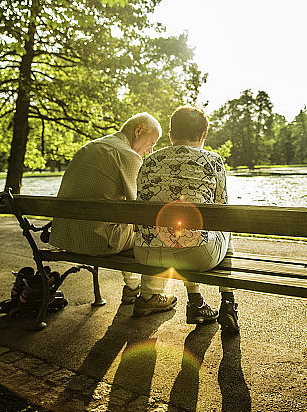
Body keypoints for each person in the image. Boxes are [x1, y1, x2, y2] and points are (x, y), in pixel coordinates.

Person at [48, 112, 173, 309]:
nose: (150, 151)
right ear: (138, 130)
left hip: (67, 236)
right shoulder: (127, 155)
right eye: (151, 143)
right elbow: (141, 209)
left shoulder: (90, 147)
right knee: (159, 232)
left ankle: (132, 287)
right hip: (97, 242)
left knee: (124, 225)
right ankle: (151, 296)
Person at [132, 106, 238, 333]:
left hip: (146, 253)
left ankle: (196, 301)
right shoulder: (213, 161)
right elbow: (222, 211)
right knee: (223, 228)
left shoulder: (149, 162)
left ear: (171, 135)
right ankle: (228, 304)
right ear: (202, 136)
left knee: (182, 232)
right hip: (197, 256)